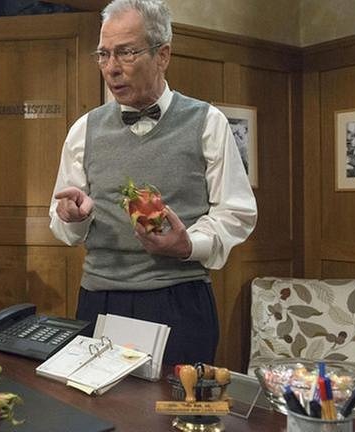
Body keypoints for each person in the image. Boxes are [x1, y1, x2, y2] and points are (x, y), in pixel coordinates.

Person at [49, 0, 257, 366]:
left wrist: (188, 244)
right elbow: (64, 226)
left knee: (178, 414)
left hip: (180, 299)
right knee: (101, 414)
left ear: (162, 55)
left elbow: (236, 212)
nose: (111, 68)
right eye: (103, 54)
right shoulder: (84, 130)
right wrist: (73, 215)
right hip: (100, 298)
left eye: (126, 53)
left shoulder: (208, 122)